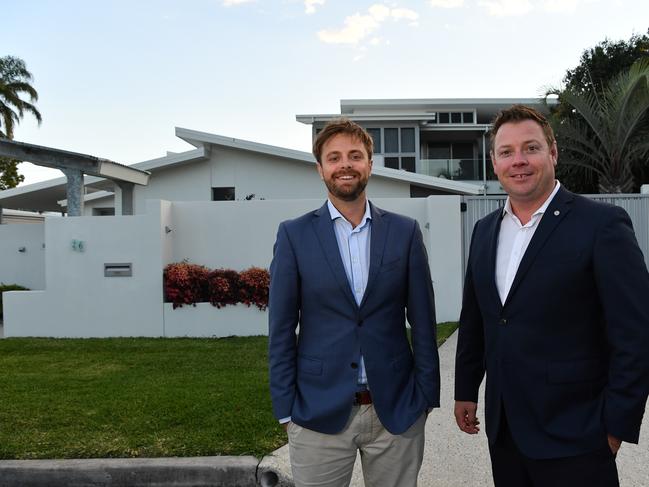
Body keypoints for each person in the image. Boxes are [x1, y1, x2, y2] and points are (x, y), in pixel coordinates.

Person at [454, 104, 649, 487]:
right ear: (494, 163)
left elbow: (636, 333)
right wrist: (466, 389)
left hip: (578, 433)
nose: (519, 161)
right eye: (506, 152)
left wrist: (615, 426)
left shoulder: (601, 225)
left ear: (553, 152)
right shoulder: (484, 231)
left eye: (531, 148)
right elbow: (477, 318)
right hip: (505, 431)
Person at [268, 118, 440, 487]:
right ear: (320, 169)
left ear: (369, 165)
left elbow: (424, 322)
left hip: (395, 412)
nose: (345, 164)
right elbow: (281, 328)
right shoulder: (294, 235)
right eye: (334, 157)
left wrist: (426, 397)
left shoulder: (404, 232)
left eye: (354, 155)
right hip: (317, 413)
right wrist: (286, 409)